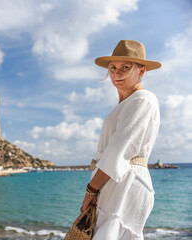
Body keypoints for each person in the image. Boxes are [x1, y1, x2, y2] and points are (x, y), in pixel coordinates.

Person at [80, 40, 161, 239]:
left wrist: (91, 191)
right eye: (113, 67)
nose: (117, 73)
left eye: (125, 67)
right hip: (117, 181)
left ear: (141, 71)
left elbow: (118, 152)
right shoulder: (126, 104)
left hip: (125, 182)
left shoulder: (142, 98)